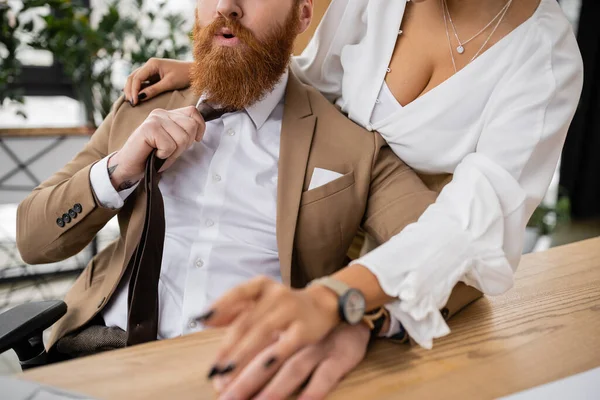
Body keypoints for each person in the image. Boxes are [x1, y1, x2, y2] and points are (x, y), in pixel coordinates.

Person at [16, 0, 479, 398]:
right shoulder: (144, 103)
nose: (227, 6)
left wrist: (355, 316)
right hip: (95, 359)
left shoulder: (353, 148)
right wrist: (120, 170)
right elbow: (33, 238)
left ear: (302, 15)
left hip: (243, 376)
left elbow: (463, 266)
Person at [124, 0, 585, 395]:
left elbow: (477, 223)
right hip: (319, 242)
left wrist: (347, 303)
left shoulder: (545, 57)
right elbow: (315, 80)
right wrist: (221, 64)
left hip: (418, 277)